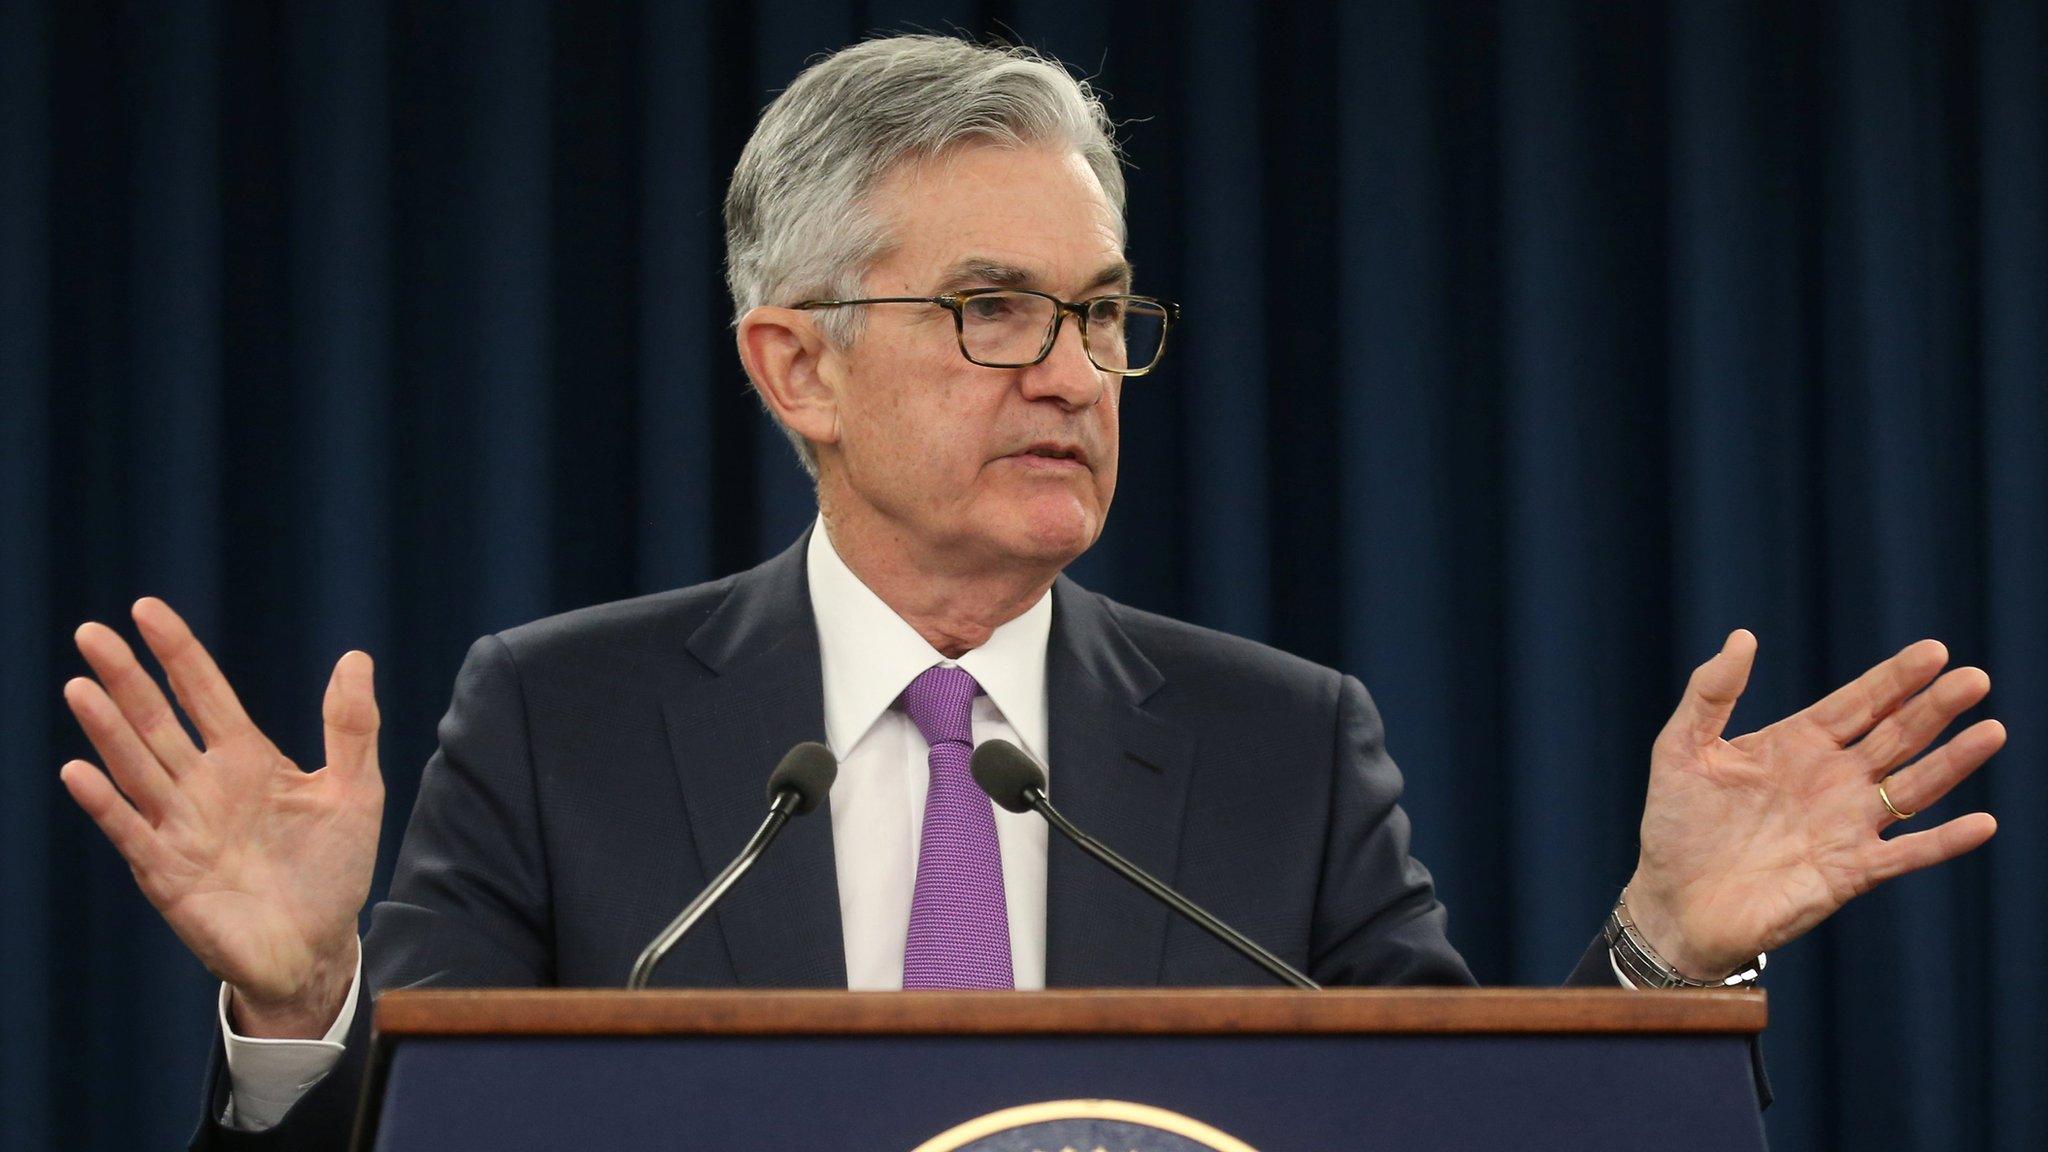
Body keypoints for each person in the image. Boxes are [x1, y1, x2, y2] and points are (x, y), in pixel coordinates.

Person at [57, 35, 2003, 1152]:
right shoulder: (561, 719)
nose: (1069, 371)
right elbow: (426, 1148)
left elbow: (1450, 1136)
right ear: (792, 364)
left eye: (1096, 314)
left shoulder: (1282, 741)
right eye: (992, 309)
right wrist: (307, 1009)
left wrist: (1659, 961)